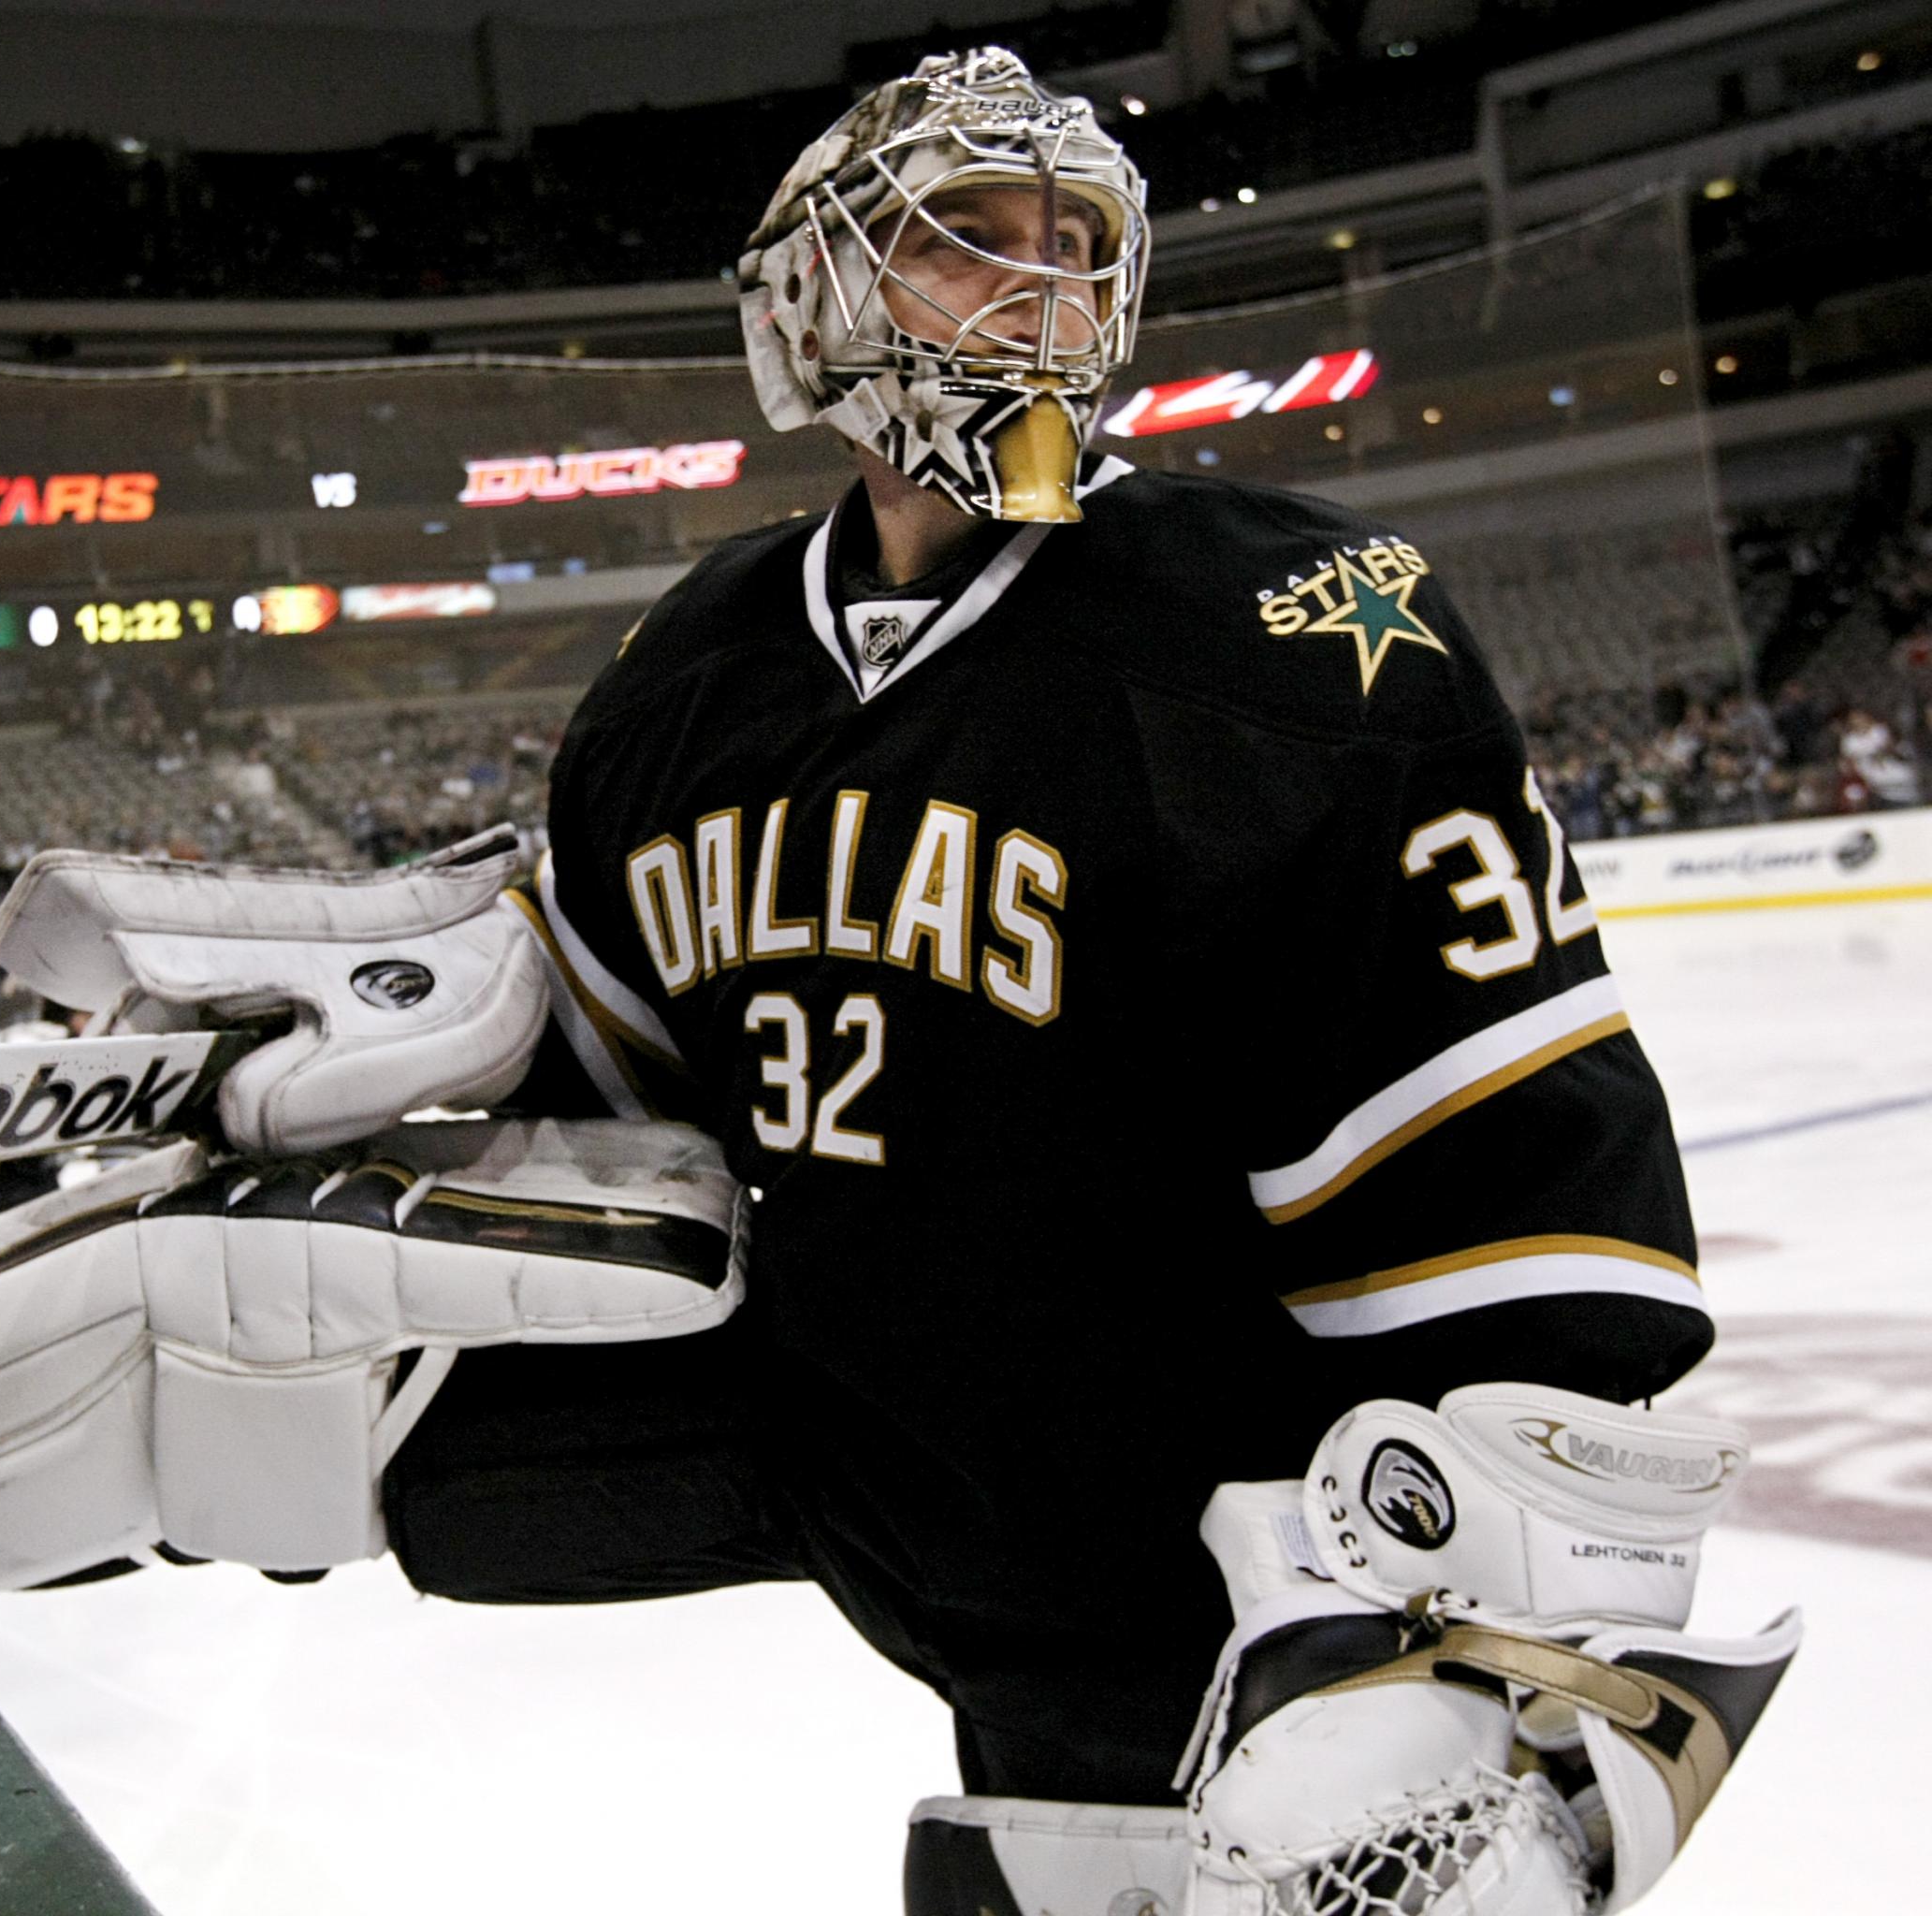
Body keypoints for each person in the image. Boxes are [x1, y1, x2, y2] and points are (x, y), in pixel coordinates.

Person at [372, 49, 1735, 1909]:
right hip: (919, 1535)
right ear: (816, 288)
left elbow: (1520, 1221)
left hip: (1233, 1596)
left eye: (1075, 243)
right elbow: (602, 1150)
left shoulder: (1282, 638)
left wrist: (1484, 1643)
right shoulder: (685, 682)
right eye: (967, 238)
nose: (1041, 284)